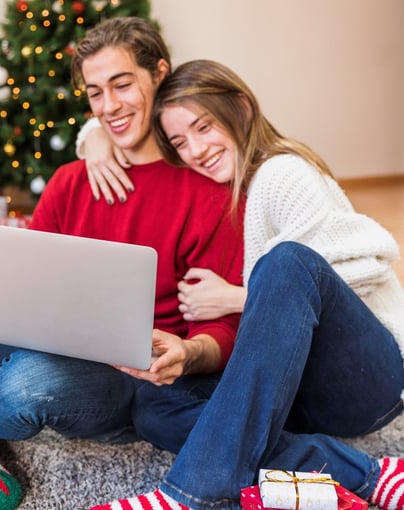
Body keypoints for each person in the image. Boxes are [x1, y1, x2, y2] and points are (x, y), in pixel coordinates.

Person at [0, 19, 246, 510]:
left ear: (158, 74)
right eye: (95, 92)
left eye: (122, 84)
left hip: (123, 377)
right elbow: (31, 280)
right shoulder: (71, 179)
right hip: (41, 341)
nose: (109, 107)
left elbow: (227, 328)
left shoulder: (205, 190)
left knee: (12, 396)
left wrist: (188, 354)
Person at [83, 59, 404, 510]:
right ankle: (367, 475)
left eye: (204, 127)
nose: (195, 149)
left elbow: (360, 266)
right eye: (180, 141)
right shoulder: (223, 185)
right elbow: (127, 132)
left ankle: (189, 492)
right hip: (296, 388)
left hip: (366, 380)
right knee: (158, 409)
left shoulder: (281, 172)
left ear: (242, 109)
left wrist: (237, 296)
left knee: (287, 261)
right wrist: (93, 137)